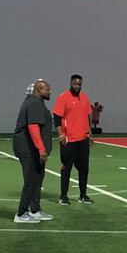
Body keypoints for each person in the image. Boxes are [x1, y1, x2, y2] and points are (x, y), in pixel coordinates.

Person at [13, 79, 54, 223]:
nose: (50, 92)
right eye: (47, 89)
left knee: (37, 178)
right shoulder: (35, 103)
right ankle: (21, 213)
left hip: (31, 148)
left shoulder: (35, 102)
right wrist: (41, 149)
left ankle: (35, 210)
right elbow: (33, 127)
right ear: (39, 90)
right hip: (29, 149)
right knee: (31, 180)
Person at [53, 74, 93, 205]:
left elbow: (87, 117)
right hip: (69, 139)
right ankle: (63, 196)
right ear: (70, 83)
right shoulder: (63, 97)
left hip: (83, 139)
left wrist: (90, 134)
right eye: (75, 84)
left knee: (84, 169)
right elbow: (57, 118)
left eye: (79, 84)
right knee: (66, 168)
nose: (77, 86)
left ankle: (83, 195)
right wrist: (60, 135)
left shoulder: (85, 97)